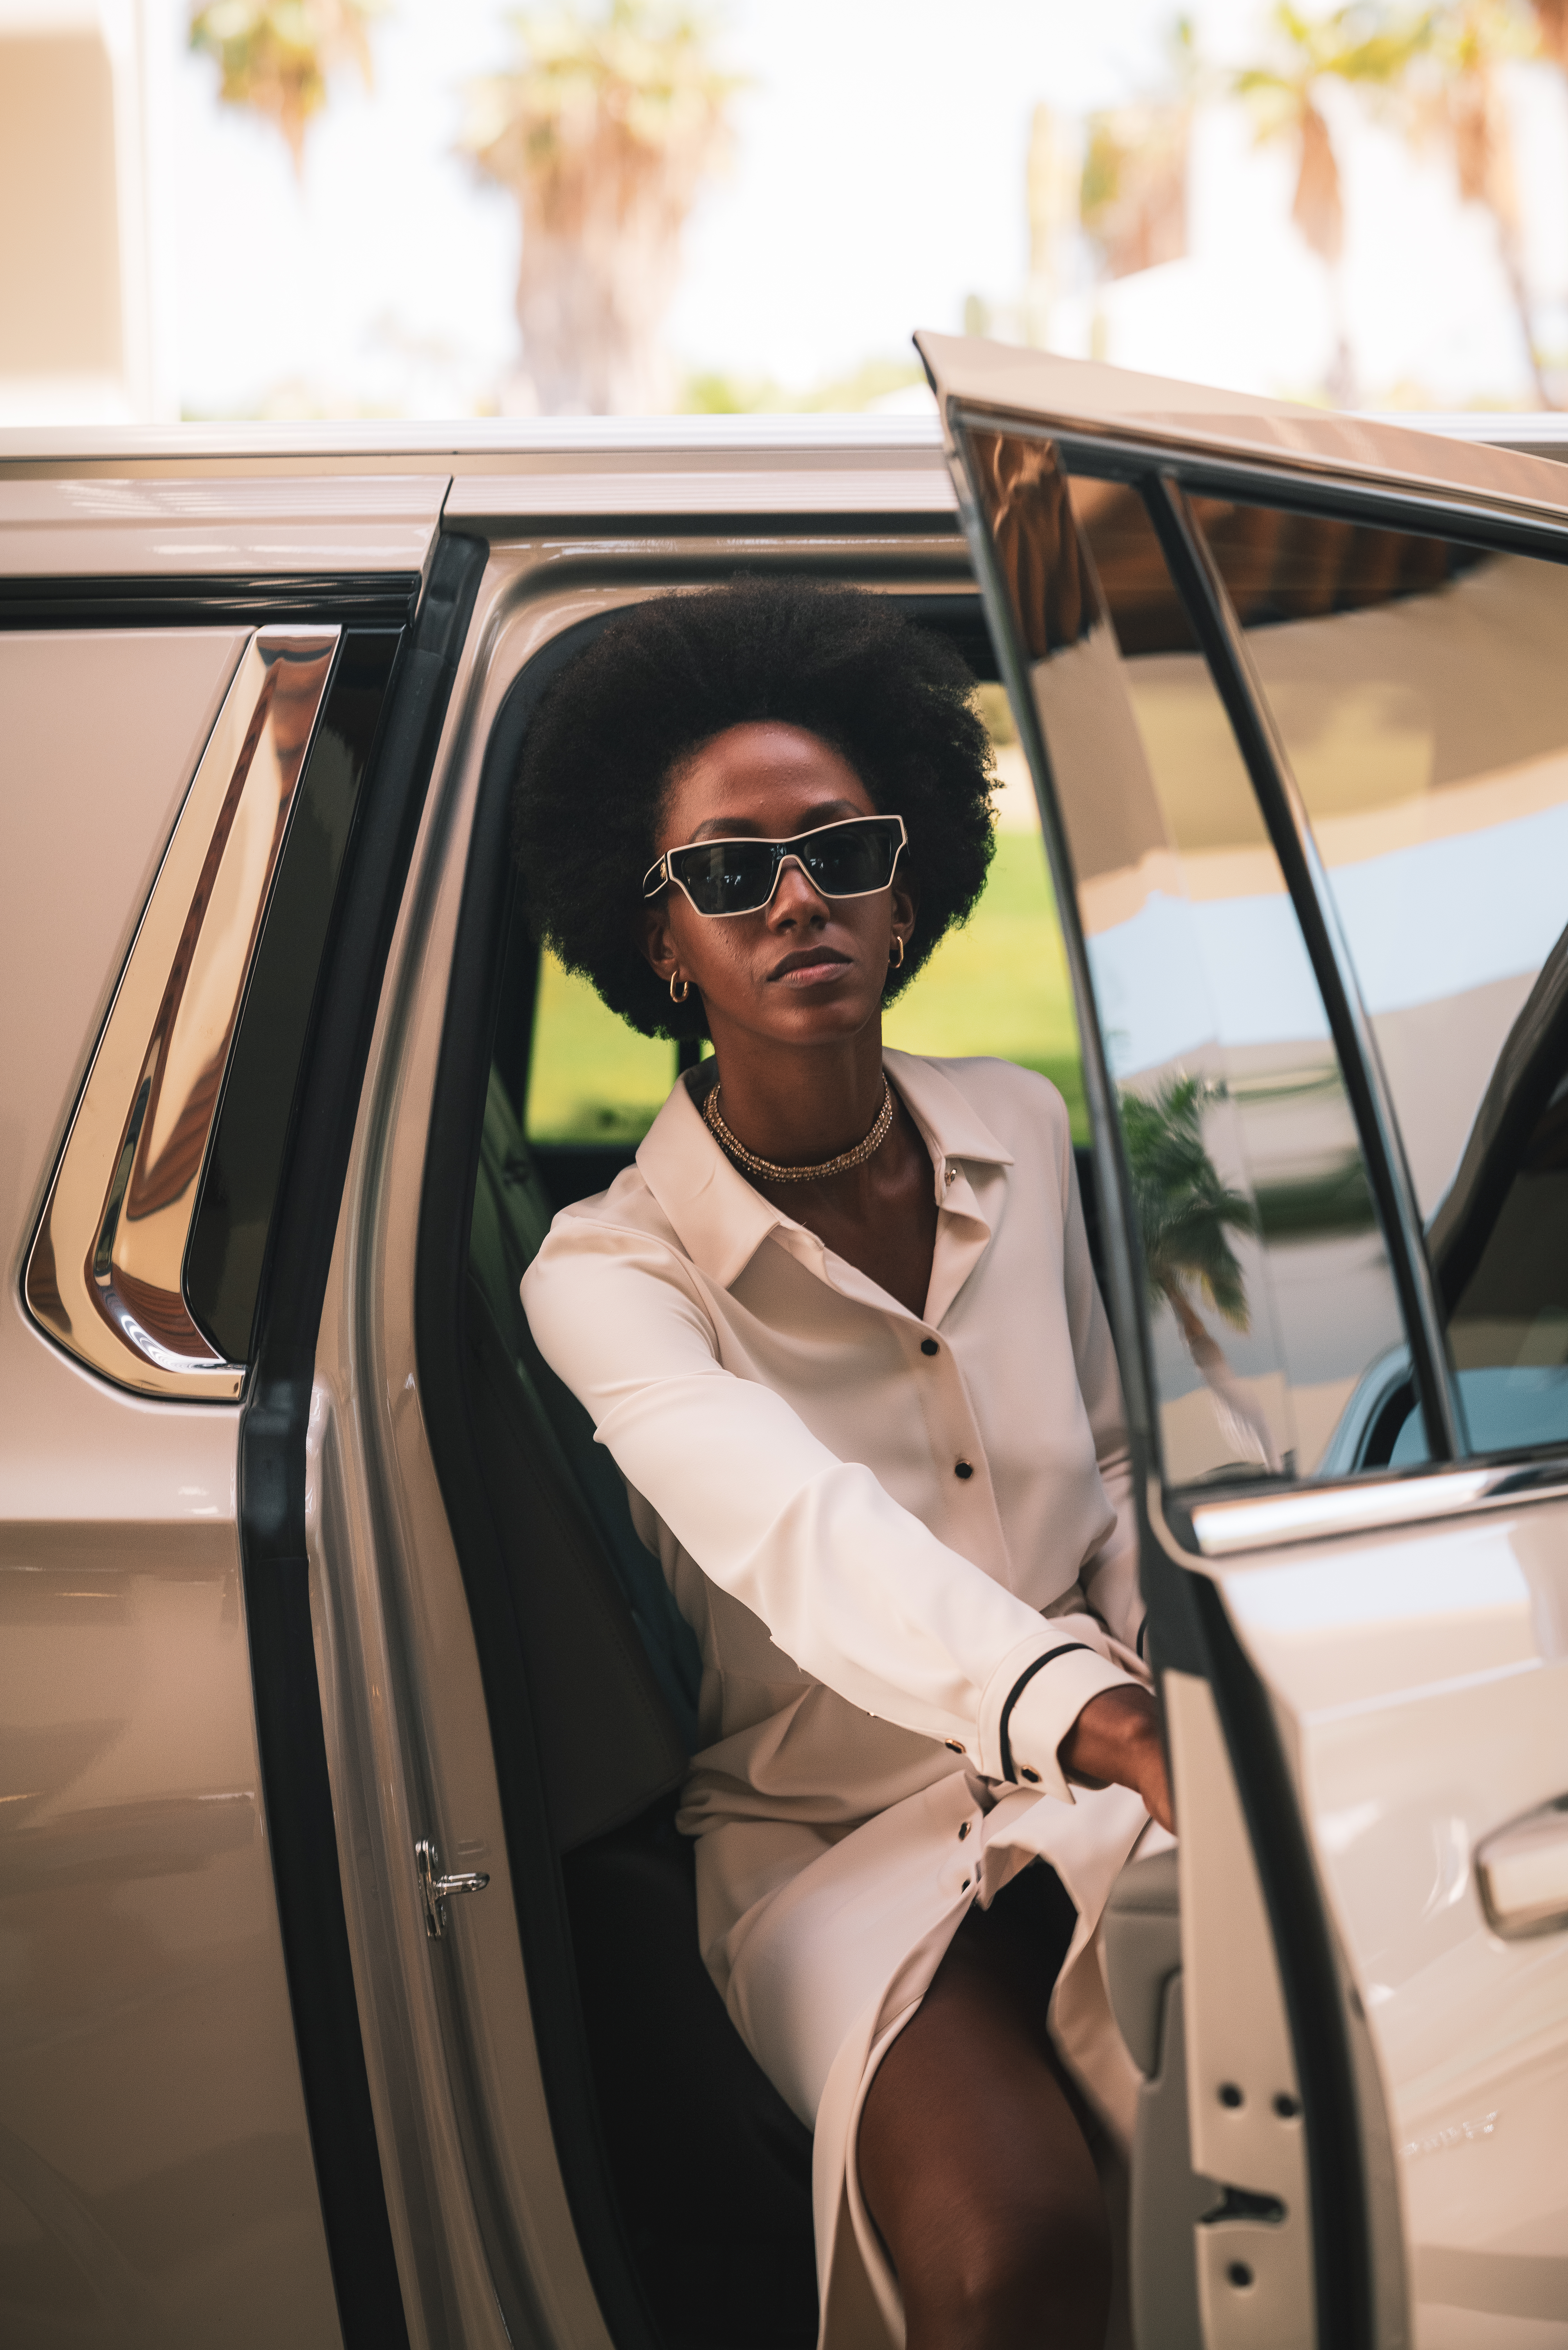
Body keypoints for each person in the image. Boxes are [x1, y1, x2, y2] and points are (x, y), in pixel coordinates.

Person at [517, 577, 1175, 2350]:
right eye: (732, 871)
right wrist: (1093, 1712)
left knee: (1280, 2166)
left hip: (1113, 1775)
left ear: (907, 882)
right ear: (662, 937)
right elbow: (802, 1536)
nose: (796, 896)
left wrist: (1167, 1685)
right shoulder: (608, 1274)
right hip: (832, 1837)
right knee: (1022, 2253)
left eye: (840, 849)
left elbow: (1112, 1465)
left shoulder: (1021, 1128)